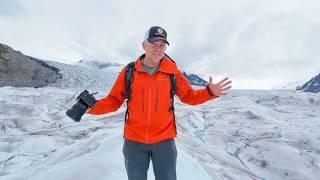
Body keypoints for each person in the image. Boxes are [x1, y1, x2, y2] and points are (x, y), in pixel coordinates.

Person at [87, 26, 232, 180]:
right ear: (144, 45)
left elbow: (189, 96)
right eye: (153, 43)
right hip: (134, 142)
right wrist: (91, 107)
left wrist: (209, 92)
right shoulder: (129, 71)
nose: (158, 48)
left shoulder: (173, 72)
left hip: (164, 142)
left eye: (162, 44)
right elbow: (113, 101)